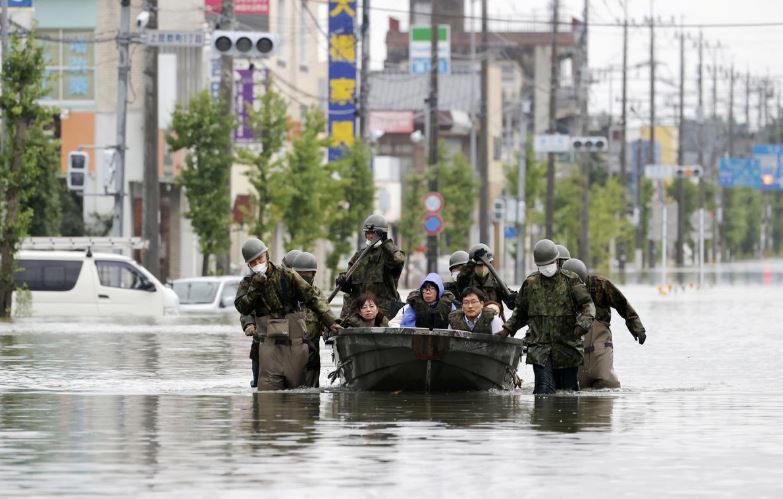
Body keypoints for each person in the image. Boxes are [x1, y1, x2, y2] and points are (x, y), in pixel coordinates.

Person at [235, 238, 341, 390]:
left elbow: (313, 298)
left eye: (260, 258)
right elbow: (243, 308)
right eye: (253, 262)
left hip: (295, 345)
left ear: (266, 255)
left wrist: (331, 322)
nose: (257, 263)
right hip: (269, 346)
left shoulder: (287, 275)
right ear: (249, 265)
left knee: (299, 395)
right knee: (268, 397)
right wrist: (255, 288)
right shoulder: (247, 283)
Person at [499, 238, 596, 395]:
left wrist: (582, 325)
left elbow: (588, 305)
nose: (547, 268)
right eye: (542, 265)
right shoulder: (531, 283)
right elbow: (520, 311)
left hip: (567, 347)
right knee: (543, 392)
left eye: (549, 264)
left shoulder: (571, 280)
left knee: (568, 394)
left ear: (557, 261)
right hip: (540, 348)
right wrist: (507, 329)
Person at [562, 258, 647, 389]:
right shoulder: (560, 290)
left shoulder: (600, 285)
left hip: (601, 343)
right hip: (576, 344)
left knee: (608, 384)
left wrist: (637, 327)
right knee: (579, 388)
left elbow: (622, 304)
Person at [336, 214, 405, 319]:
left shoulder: (388, 255)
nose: (370, 236)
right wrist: (343, 281)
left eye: (373, 233)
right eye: (367, 233)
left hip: (382, 314)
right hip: (359, 313)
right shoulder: (359, 256)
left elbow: (399, 260)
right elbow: (350, 284)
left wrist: (386, 243)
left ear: (382, 234)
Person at [292, 251, 331, 388]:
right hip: (289, 357)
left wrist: (330, 332)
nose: (303, 279)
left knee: (310, 399)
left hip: (311, 359)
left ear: (313, 275)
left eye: (306, 275)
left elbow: (328, 321)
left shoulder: (319, 297)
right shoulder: (286, 295)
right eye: (299, 275)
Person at [454, 243, 517, 309]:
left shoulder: (496, 282)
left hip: (493, 317)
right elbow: (461, 279)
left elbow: (511, 301)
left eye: (485, 264)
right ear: (473, 266)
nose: (483, 268)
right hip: (472, 316)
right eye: (479, 265)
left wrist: (514, 300)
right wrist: (471, 263)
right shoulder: (466, 280)